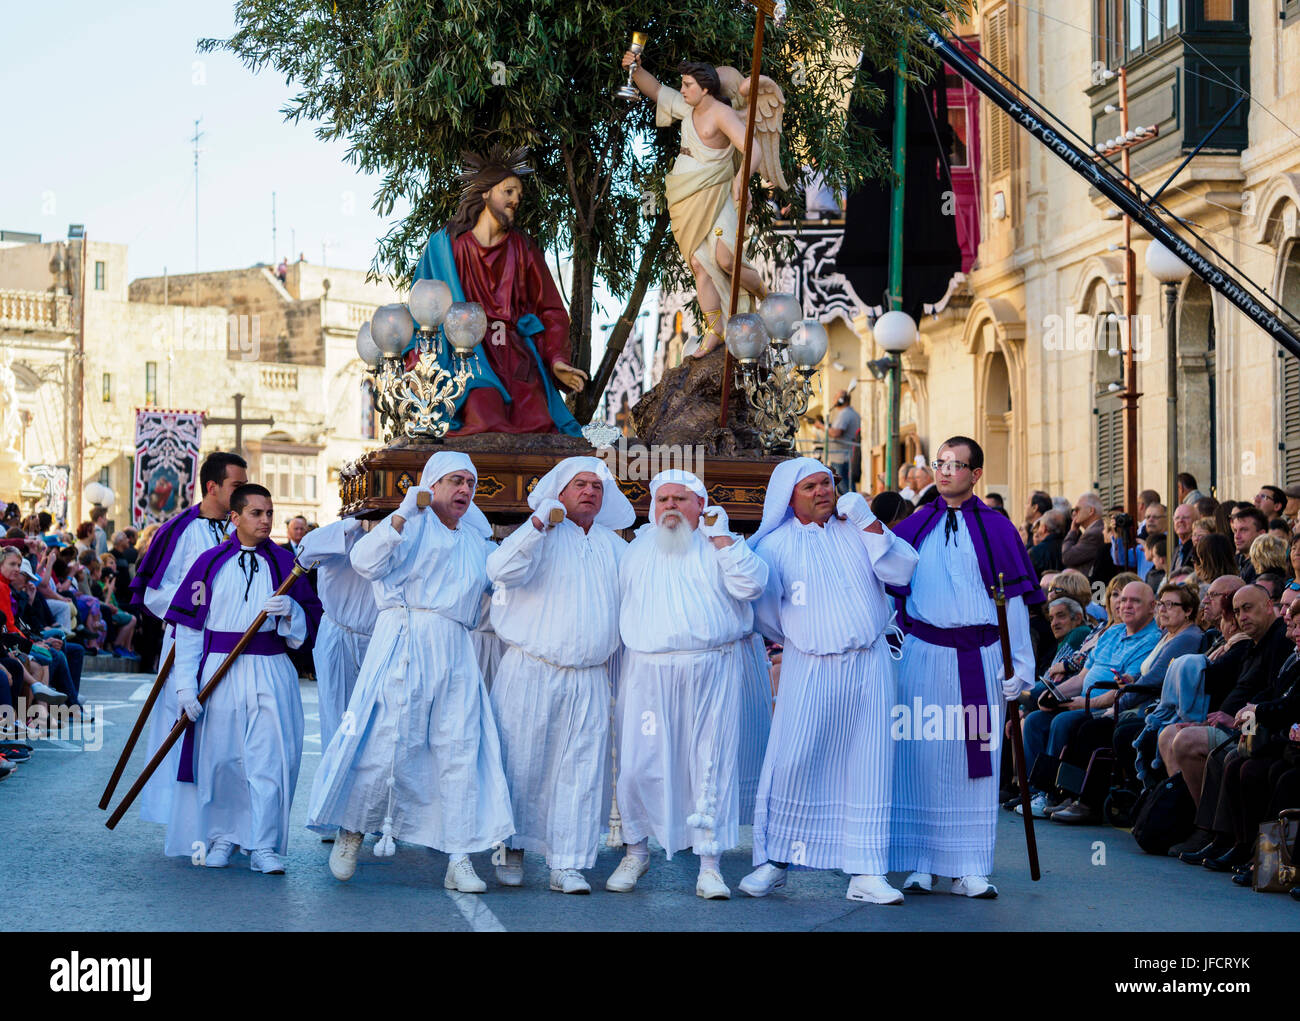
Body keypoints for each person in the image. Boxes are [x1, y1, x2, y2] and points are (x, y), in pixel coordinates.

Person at [307, 452, 513, 894]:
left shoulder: (478, 543)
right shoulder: (409, 525)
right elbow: (364, 562)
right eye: (455, 481)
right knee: (383, 743)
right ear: (432, 485)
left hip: (456, 649)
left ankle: (459, 856)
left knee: (460, 748)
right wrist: (402, 514)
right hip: (403, 639)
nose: (464, 490)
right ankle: (352, 830)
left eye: (470, 484)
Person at [740, 458, 918, 903]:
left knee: (870, 761)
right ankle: (774, 861)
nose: (824, 491)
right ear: (790, 497)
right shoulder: (773, 546)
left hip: (870, 662)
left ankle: (866, 872)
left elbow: (901, 573)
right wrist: (814, 637)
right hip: (809, 664)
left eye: (828, 483)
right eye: (811, 486)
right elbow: (767, 618)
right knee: (793, 757)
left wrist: (869, 519)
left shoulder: (857, 526)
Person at [887, 437, 1041, 899]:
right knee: (919, 755)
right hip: (923, 653)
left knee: (976, 764)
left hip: (980, 656)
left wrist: (1022, 667)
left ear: (975, 475)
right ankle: (920, 862)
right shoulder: (912, 527)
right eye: (940, 463)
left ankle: (970, 866)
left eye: (957, 465)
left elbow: (1012, 602)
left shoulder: (998, 529)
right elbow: (891, 598)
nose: (946, 471)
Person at [606, 469, 768, 900]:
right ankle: (636, 852)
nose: (670, 507)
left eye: (681, 499)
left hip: (710, 672)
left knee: (708, 766)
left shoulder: (723, 546)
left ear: (701, 505)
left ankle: (710, 865)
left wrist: (721, 538)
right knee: (639, 765)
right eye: (663, 500)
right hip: (646, 675)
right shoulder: (636, 550)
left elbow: (752, 585)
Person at [486, 456, 633, 894]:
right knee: (522, 765)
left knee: (581, 771)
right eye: (580, 484)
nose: (590, 491)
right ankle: (510, 847)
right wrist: (535, 527)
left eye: (597, 486)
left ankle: (567, 863)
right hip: (531, 670)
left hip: (589, 677)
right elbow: (499, 572)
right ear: (560, 491)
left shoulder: (615, 547)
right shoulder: (538, 534)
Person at [159, 483, 321, 873]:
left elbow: (312, 622)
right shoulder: (209, 563)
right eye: (256, 513)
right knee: (223, 760)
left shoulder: (286, 564)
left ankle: (263, 845)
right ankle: (223, 837)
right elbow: (190, 630)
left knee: (270, 760)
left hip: (271, 668)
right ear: (235, 516)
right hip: (220, 669)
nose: (265, 520)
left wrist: (290, 614)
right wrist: (186, 686)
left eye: (269, 513)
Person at [409, 147, 588, 435]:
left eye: (519, 194)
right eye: (508, 191)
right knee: (486, 419)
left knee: (541, 425)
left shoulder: (524, 249)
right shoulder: (446, 247)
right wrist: (420, 361)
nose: (516, 199)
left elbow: (551, 310)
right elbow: (424, 311)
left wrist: (557, 360)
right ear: (485, 193)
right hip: (468, 359)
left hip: (514, 358)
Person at [619, 55, 775, 356]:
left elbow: (752, 148)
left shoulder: (721, 114)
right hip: (686, 198)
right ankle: (715, 328)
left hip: (716, 195)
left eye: (688, 85)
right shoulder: (687, 107)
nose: (683, 89)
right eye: (683, 84)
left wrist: (741, 179)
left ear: (705, 89)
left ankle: (766, 296)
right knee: (700, 266)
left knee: (726, 259)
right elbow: (655, 89)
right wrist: (635, 69)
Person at [129, 452, 248, 828]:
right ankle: (179, 816)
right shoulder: (178, 529)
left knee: (226, 727)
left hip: (229, 646)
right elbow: (153, 593)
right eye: (237, 486)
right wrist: (196, 609)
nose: (244, 493)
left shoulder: (241, 528)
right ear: (212, 487)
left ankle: (222, 816)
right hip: (186, 642)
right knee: (179, 723)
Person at [294, 518, 378, 756]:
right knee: (339, 723)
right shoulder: (344, 531)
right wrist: (353, 525)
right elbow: (305, 553)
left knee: (377, 729)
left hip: (378, 638)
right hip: (341, 637)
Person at [827, 391, 860, 495]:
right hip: (844, 456)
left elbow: (836, 433)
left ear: (841, 401)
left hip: (840, 457)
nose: (833, 400)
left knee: (845, 490)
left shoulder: (845, 414)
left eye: (835, 398)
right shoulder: (851, 413)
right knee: (845, 489)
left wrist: (822, 427)